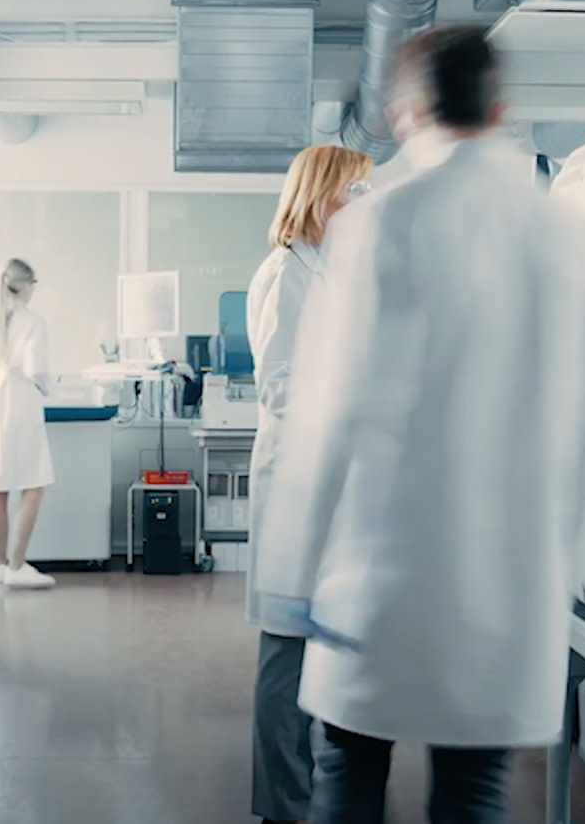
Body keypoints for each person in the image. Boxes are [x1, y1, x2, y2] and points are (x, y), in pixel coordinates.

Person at [251, 27, 585, 824]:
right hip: (505, 587)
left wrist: (290, 574)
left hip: (381, 580)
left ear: (402, 114)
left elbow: (327, 416)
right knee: (473, 794)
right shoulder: (567, 237)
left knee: (349, 779)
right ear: (499, 108)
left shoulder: (381, 226)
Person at [245, 145, 374, 824]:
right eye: (353, 192)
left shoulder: (336, 273)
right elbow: (283, 387)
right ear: (319, 195)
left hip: (338, 493)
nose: (362, 206)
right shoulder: (285, 273)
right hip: (300, 491)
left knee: (330, 658)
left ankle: (319, 797)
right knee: (287, 659)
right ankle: (282, 808)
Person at [0, 258, 57, 589]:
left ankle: (0, 563)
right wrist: (50, 388)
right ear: (26, 286)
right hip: (21, 402)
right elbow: (37, 370)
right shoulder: (33, 322)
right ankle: (18, 565)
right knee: (34, 482)